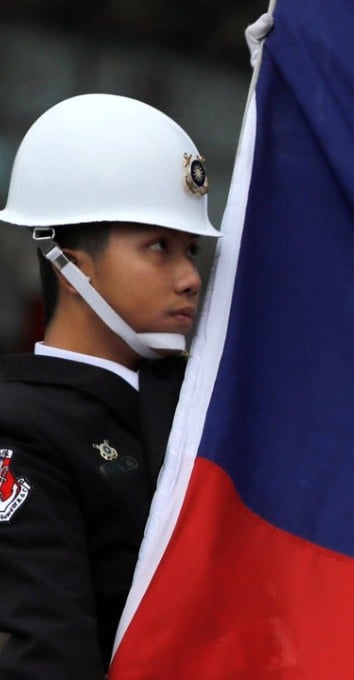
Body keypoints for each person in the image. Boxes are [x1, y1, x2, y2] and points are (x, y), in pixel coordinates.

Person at [0, 93, 220, 678]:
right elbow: (47, 648)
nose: (191, 278)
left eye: (190, 250)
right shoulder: (20, 426)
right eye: (158, 247)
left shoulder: (199, 405)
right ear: (73, 267)